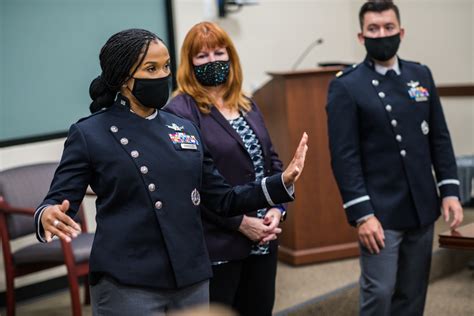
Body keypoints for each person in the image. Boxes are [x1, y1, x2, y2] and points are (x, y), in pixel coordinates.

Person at [33, 28, 308, 315]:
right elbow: (60, 197)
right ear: (123, 78)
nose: (162, 75)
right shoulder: (91, 133)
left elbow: (222, 198)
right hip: (129, 280)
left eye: (165, 66)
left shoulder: (183, 129)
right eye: (151, 68)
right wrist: (48, 214)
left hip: (191, 276)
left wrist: (280, 183)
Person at [326, 1, 463, 315]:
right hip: (379, 213)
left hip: (422, 205)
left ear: (401, 31)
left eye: (388, 27)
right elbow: (344, 157)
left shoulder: (420, 74)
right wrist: (362, 214)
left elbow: (439, 138)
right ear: (361, 36)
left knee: (413, 295)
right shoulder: (346, 86)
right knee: (381, 293)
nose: (382, 34)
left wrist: (450, 191)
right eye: (373, 29)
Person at [166, 21, 285, 316]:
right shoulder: (180, 111)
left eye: (219, 52)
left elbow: (271, 160)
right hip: (219, 243)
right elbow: (188, 185)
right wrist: (241, 223)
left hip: (265, 237)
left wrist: (277, 208)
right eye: (202, 56)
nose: (213, 61)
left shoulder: (245, 103)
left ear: (230, 56)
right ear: (189, 63)